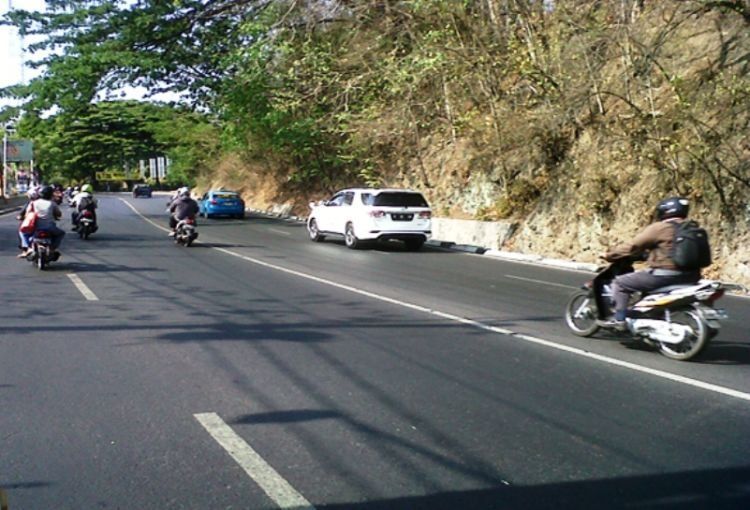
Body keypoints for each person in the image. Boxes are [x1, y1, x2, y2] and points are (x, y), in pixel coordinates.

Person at [597, 196, 703, 330]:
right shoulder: (693, 228)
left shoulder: (660, 228)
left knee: (620, 283)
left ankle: (619, 320)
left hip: (665, 275)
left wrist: (610, 255)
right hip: (692, 277)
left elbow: (633, 246)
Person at [30, 185, 66, 257]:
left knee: (28, 234)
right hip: (50, 227)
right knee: (61, 233)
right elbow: (58, 214)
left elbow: (28, 213)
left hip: (36, 226)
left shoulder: (34, 203)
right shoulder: (52, 203)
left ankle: (29, 249)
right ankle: (52, 248)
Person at [16, 186, 40, 258]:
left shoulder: (30, 204)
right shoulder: (44, 202)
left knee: (21, 231)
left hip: (30, 223)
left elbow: (22, 213)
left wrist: (20, 217)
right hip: (42, 224)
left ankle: (25, 250)